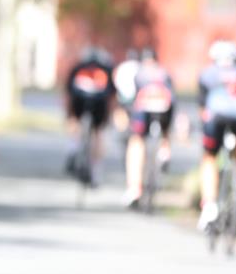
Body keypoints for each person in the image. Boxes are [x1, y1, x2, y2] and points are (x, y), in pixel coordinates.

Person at [197, 40, 236, 231]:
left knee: (209, 157)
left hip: (215, 121)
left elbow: (202, 108)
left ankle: (209, 204)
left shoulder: (207, 74)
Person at [124, 48, 175, 207]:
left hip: (144, 109)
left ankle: (134, 187)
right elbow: (173, 100)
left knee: (136, 141)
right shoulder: (164, 74)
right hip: (164, 110)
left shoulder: (139, 74)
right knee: (165, 128)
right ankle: (165, 149)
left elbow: (131, 99)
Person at [64, 46, 115, 186]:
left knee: (75, 120)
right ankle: (96, 171)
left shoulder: (78, 67)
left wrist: (69, 114)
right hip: (99, 104)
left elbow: (68, 92)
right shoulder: (106, 69)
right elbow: (111, 96)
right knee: (98, 132)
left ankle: (73, 147)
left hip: (79, 102)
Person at [112, 48, 141, 132]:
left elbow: (116, 81)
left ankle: (123, 127)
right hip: (136, 98)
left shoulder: (122, 66)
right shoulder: (139, 66)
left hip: (123, 97)